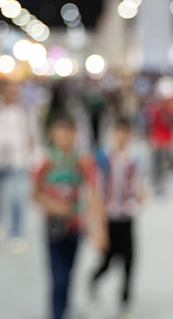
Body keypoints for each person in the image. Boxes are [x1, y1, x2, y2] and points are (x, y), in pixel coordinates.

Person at [32, 114, 106, 319]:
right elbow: (34, 194)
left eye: (69, 133)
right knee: (58, 276)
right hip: (53, 226)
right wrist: (53, 206)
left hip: (75, 226)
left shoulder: (82, 161)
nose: (65, 138)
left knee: (70, 274)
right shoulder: (45, 161)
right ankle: (56, 313)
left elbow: (93, 193)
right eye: (60, 133)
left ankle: (64, 309)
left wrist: (97, 228)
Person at [90, 117, 147, 316]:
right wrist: (98, 228)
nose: (122, 137)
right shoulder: (103, 159)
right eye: (118, 132)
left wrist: (140, 195)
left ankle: (124, 301)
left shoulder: (134, 158)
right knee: (108, 260)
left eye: (125, 133)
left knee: (130, 261)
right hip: (109, 218)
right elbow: (96, 192)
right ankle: (94, 279)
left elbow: (138, 185)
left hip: (127, 217)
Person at [0, 81, 36, 251]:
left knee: (17, 198)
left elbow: (32, 135)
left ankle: (16, 233)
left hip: (17, 161)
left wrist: (29, 156)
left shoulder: (25, 112)